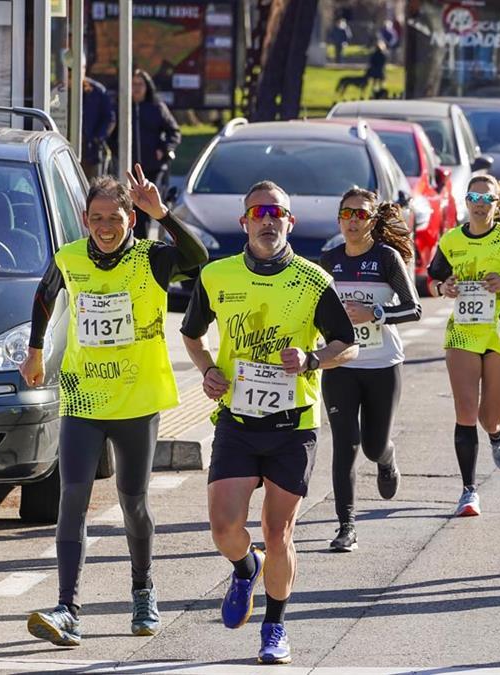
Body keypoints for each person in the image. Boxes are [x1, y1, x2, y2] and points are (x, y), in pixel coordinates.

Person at [20, 166, 209, 647]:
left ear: (130, 218)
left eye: (115, 218)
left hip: (137, 399)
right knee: (72, 498)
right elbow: (45, 296)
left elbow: (199, 257)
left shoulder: (152, 258)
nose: (105, 228)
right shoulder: (70, 258)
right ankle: (68, 608)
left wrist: (162, 214)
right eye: (97, 218)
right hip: (85, 395)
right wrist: (35, 351)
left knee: (132, 501)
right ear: (85, 218)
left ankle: (143, 590)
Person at [180, 181, 358, 665]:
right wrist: (208, 371)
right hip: (237, 420)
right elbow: (192, 336)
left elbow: (348, 344)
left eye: (276, 212)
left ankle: (275, 625)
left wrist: (313, 359)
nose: (267, 220)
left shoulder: (311, 279)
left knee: (279, 532)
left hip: (292, 425)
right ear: (244, 222)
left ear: (289, 222)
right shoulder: (217, 276)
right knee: (224, 527)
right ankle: (244, 567)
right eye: (258, 212)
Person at [427, 175, 500, 516]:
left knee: (489, 416)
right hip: (463, 333)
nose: (479, 202)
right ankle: (468, 490)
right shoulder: (451, 240)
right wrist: (444, 288)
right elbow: (432, 280)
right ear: (466, 200)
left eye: (487, 198)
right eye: (474, 196)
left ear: (497, 203)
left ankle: (498, 432)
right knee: (465, 412)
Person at [320, 189, 421, 552]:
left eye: (361, 214)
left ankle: (387, 458)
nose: (352, 220)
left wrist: (375, 315)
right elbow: (315, 311)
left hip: (382, 365)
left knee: (373, 444)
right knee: (345, 445)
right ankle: (346, 526)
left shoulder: (387, 259)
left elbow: (413, 309)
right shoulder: (328, 260)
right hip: (341, 365)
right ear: (339, 219)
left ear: (373, 220)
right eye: (346, 213)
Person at [126, 70, 181, 240]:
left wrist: (163, 149)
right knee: (130, 207)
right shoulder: (123, 107)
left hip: (151, 168)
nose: (136, 88)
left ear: (147, 87)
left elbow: (174, 132)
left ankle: (143, 243)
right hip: (127, 166)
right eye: (133, 84)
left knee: (145, 208)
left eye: (140, 84)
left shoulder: (157, 107)